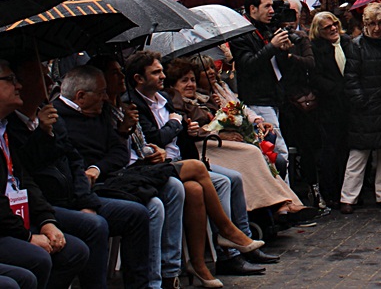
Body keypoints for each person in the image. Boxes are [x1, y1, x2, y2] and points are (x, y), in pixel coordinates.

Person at [124, 51, 266, 285]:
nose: (162, 76)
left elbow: (176, 132)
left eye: (161, 71)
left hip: (177, 160)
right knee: (198, 170)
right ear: (139, 78)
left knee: (198, 189)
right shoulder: (134, 104)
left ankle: (198, 263)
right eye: (156, 72)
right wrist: (175, 124)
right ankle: (227, 232)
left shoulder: (163, 99)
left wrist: (185, 129)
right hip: (159, 166)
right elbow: (155, 138)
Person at [7, 59, 150, 289]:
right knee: (94, 226)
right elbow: (26, 170)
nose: (49, 82)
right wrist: (43, 134)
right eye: (42, 78)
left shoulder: (51, 117)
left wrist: (86, 201)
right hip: (46, 203)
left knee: (136, 214)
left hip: (74, 196)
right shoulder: (13, 126)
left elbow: (75, 162)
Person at [86, 56, 187, 287]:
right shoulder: (101, 113)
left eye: (122, 72)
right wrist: (122, 132)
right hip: (115, 179)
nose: (121, 77)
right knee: (160, 200)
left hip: (138, 170)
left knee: (175, 187)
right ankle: (152, 282)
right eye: (115, 74)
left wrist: (152, 150)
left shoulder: (123, 108)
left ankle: (171, 271)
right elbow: (112, 154)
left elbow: (142, 144)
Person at [165, 58, 305, 217]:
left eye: (192, 80)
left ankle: (286, 201)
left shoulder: (204, 96)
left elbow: (231, 111)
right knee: (251, 153)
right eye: (184, 81)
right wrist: (218, 132)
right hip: (205, 146)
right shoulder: (177, 101)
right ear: (173, 85)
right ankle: (275, 203)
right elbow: (193, 128)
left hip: (217, 142)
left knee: (262, 155)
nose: (190, 84)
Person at [0, 58, 90, 289]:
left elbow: (25, 181)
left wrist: (47, 221)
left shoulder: (4, 130)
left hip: (23, 215)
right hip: (8, 224)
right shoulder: (13, 127)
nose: (17, 85)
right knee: (34, 262)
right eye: (10, 80)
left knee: (77, 249)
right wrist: (28, 237)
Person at [231, 0, 309, 162]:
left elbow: (278, 66)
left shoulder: (268, 29)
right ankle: (282, 189)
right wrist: (272, 46)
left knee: (278, 150)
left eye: (272, 6)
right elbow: (248, 65)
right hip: (257, 99)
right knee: (278, 151)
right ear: (253, 9)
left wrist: (283, 51)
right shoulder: (241, 34)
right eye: (267, 6)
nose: (272, 11)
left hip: (275, 96)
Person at [340, 2, 381, 213]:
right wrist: (360, 101)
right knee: (358, 155)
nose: (377, 28)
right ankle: (348, 197)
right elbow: (351, 77)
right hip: (365, 106)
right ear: (366, 23)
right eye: (373, 24)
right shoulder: (356, 45)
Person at [307, 11, 350, 208]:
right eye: (327, 27)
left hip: (349, 104)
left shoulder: (348, 42)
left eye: (334, 24)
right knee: (330, 150)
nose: (333, 28)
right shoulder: (315, 49)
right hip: (328, 107)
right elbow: (315, 77)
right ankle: (330, 192)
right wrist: (336, 89)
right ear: (319, 31)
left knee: (347, 149)